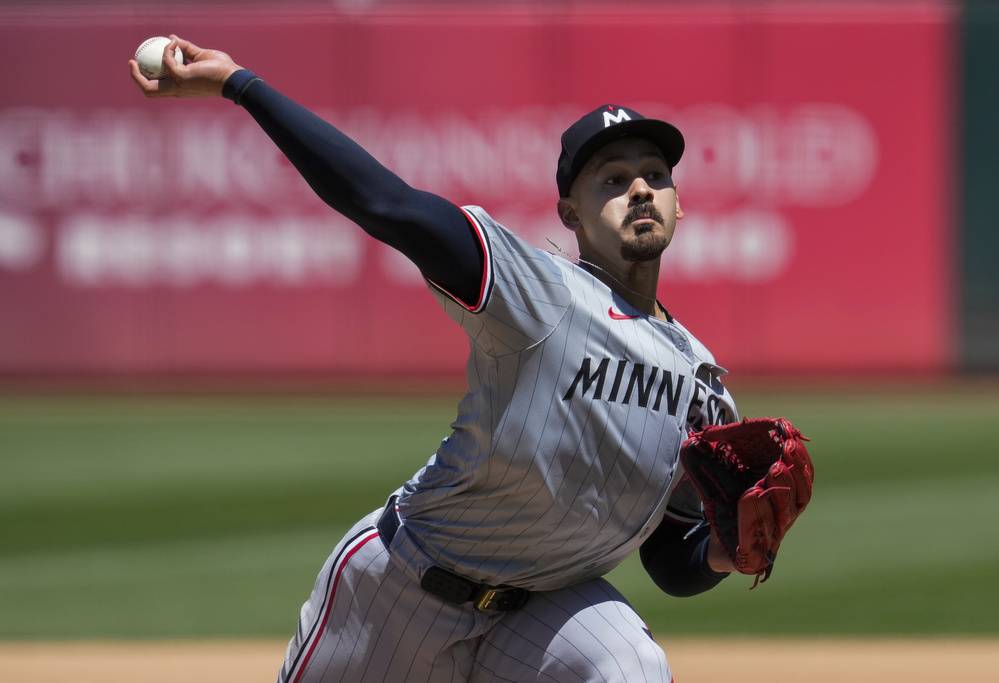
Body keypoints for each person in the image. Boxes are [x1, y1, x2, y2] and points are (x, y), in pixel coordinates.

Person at [131, 36, 741, 683]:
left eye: (655, 174)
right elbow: (386, 203)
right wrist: (241, 84)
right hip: (403, 589)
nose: (641, 189)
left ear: (679, 199)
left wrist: (721, 553)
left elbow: (672, 558)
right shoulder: (536, 289)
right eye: (613, 180)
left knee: (631, 666)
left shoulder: (702, 382)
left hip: (542, 610)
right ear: (571, 212)